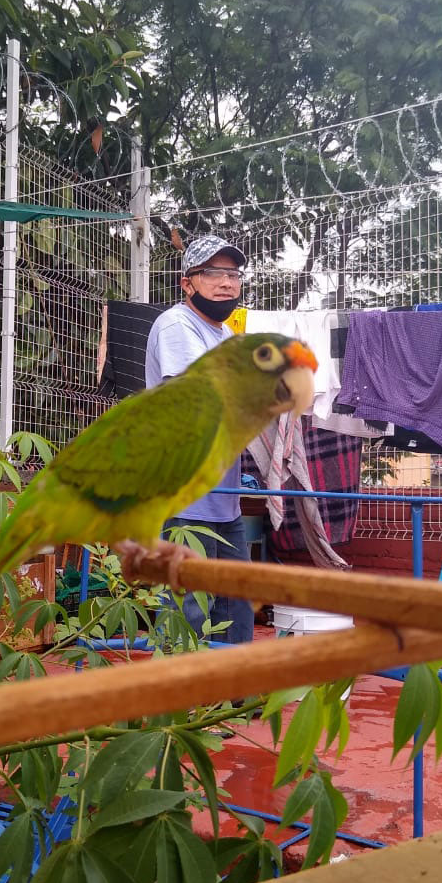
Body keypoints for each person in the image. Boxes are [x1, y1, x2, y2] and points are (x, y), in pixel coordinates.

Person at [144, 234, 256, 646]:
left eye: (233, 273)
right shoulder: (177, 324)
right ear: (187, 283)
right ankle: (181, 702)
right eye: (213, 273)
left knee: (235, 602)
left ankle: (231, 695)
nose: (226, 282)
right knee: (187, 607)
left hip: (222, 497)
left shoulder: (224, 334)